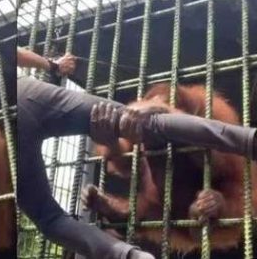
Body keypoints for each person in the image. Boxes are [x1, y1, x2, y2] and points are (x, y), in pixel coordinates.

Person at [17, 48, 256, 259]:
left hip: (213, 188)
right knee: (125, 123)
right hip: (162, 205)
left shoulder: (205, 105)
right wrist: (109, 142)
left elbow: (229, 168)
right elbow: (123, 165)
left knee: (49, 219)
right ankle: (126, 219)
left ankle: (240, 152)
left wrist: (164, 116)